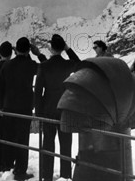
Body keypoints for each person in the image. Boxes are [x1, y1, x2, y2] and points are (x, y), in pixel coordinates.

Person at [0, 37, 47, 181]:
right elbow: (45, 66)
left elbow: (0, 86)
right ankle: (20, 170)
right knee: (22, 139)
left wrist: (0, 106)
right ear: (27, 50)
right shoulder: (31, 65)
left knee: (9, 136)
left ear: (16, 50)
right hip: (24, 107)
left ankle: (7, 165)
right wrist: (36, 53)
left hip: (8, 106)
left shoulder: (6, 65)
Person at [35, 34, 80, 181]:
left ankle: (46, 176)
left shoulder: (44, 66)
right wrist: (67, 48)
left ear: (51, 48)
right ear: (62, 48)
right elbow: (79, 64)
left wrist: (38, 111)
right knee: (66, 143)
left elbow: (38, 91)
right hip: (65, 108)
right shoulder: (68, 64)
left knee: (48, 143)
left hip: (48, 108)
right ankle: (65, 176)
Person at [0, 41, 13, 172]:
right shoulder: (12, 67)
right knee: (9, 135)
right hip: (9, 105)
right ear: (11, 53)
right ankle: (7, 162)